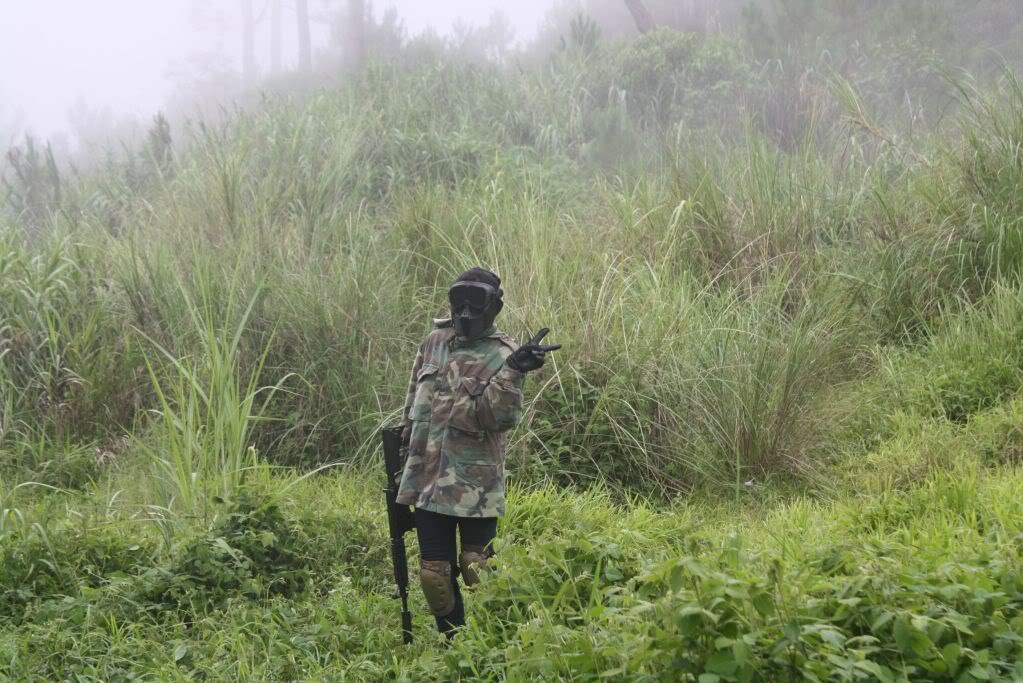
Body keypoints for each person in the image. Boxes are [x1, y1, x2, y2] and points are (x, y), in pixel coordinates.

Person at [395, 267, 560, 636]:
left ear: (494, 307)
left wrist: (513, 372)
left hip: (474, 482)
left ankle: (498, 641)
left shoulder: (505, 353)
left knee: (477, 568)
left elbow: (496, 419)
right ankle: (457, 647)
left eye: (476, 303)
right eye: (459, 302)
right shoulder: (433, 343)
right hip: (426, 478)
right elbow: (412, 407)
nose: (466, 313)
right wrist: (403, 460)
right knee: (434, 576)